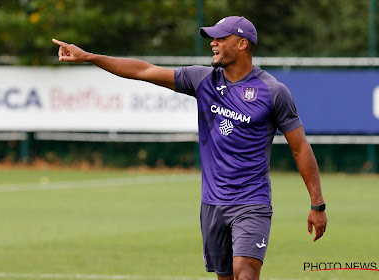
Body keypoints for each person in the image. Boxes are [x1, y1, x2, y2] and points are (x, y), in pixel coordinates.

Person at [52, 15, 327, 280]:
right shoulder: (203, 80)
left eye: (220, 37)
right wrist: (88, 56)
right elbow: (143, 71)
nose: (213, 43)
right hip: (212, 204)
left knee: (246, 274)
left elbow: (300, 148)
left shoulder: (273, 91)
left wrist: (317, 204)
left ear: (242, 44)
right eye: (212, 38)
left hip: (251, 202)